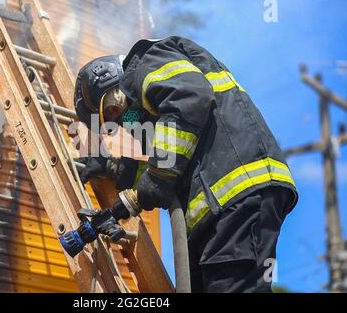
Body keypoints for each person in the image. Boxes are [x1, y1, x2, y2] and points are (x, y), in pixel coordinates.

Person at [73, 36, 298, 292]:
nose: (121, 119)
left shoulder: (148, 61)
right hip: (217, 207)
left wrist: (158, 178)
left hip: (237, 192)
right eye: (111, 122)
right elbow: (168, 158)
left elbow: (190, 97)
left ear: (113, 78)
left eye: (113, 108)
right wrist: (114, 168)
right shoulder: (158, 116)